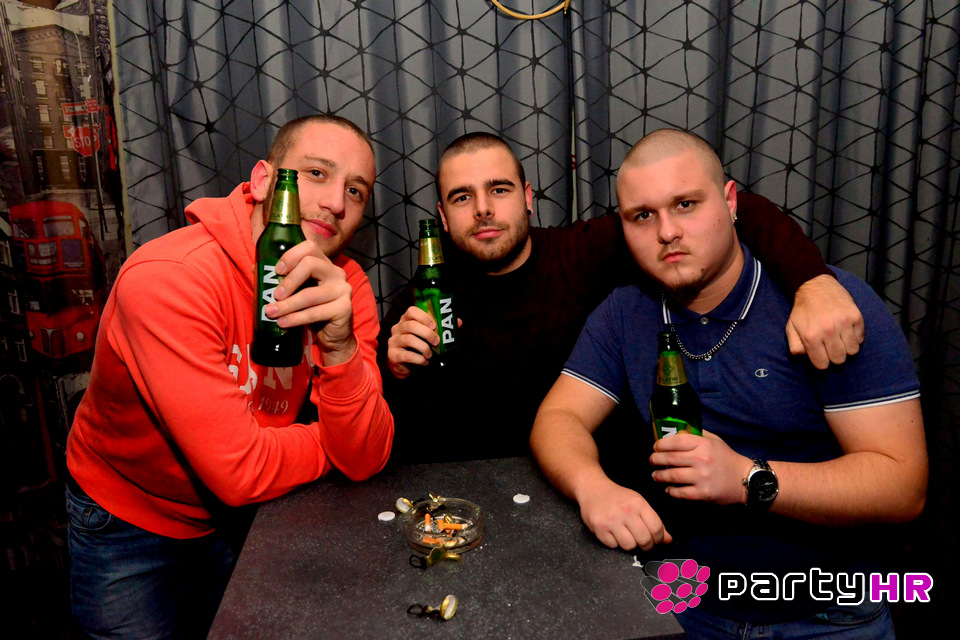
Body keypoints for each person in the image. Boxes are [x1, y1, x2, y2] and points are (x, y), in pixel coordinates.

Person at [529, 129, 927, 638]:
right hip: (680, 606)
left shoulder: (827, 309)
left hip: (826, 615)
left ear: (731, 202)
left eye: (686, 204)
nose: (667, 231)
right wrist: (594, 488)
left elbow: (902, 487)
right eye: (643, 216)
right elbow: (559, 417)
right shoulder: (626, 312)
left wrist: (746, 478)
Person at [65, 115, 394, 639]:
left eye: (356, 190)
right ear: (263, 181)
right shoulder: (171, 278)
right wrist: (330, 444)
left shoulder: (344, 287)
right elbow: (242, 470)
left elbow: (367, 455)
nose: (336, 202)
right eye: (315, 174)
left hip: (243, 517)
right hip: (128, 517)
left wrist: (339, 347)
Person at [382, 132, 864, 463]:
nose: (484, 209)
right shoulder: (419, 301)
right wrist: (398, 374)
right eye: (462, 197)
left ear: (527, 197)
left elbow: (726, 210)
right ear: (442, 217)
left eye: (499, 189)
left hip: (588, 489)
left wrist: (812, 281)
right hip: (466, 502)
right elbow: (392, 441)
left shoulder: (586, 252)